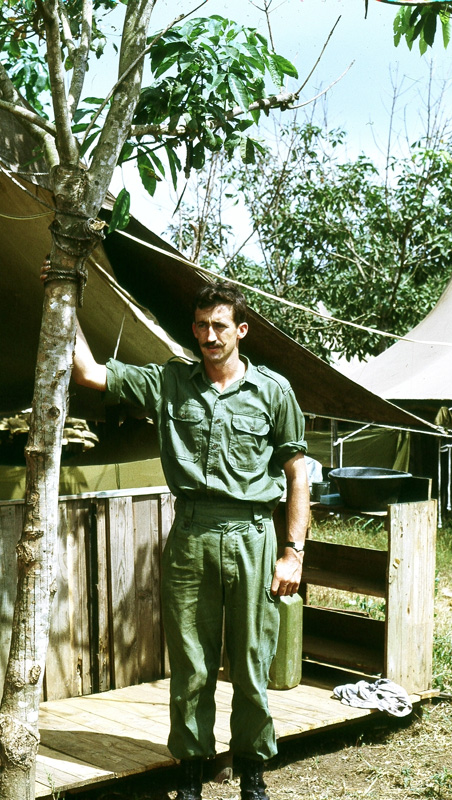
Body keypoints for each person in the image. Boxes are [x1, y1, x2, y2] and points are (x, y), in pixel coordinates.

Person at [42, 267, 310, 800]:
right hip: (191, 535)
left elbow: (297, 471)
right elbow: (90, 373)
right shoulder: (170, 383)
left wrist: (293, 552)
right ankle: (191, 771)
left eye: (219, 326)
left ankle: (252, 772)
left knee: (253, 661)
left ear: (241, 331)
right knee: (190, 665)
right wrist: (64, 293)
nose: (208, 336)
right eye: (200, 326)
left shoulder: (273, 391)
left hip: (253, 535)